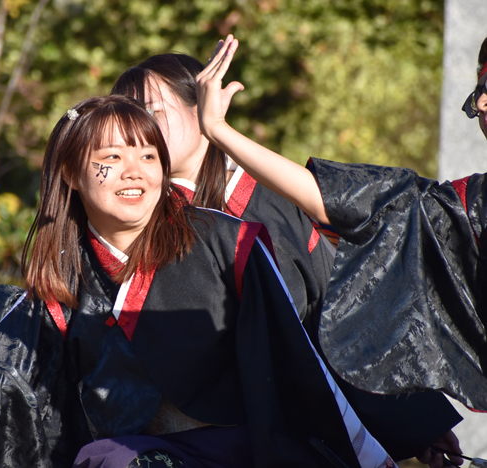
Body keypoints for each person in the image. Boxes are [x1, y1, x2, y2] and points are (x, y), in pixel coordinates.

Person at [0, 95, 398, 468]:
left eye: (148, 154)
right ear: (72, 176)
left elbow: (301, 361)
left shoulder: (227, 243)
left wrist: (377, 455)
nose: (135, 170)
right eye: (111, 155)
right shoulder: (65, 282)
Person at [110, 38, 463, 466]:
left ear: (202, 106)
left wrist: (415, 421)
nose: (136, 130)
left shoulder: (265, 204)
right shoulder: (128, 217)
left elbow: (339, 312)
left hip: (289, 429)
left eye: (151, 112)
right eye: (126, 118)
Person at [194, 33, 487, 430]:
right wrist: (217, 130)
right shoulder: (470, 205)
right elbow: (347, 201)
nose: (482, 102)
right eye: (480, 89)